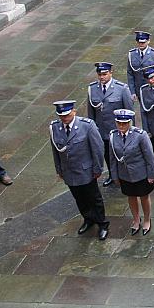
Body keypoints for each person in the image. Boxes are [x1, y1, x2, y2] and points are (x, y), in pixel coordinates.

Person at [50, 100, 109, 239]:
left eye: (67, 115)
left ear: (74, 111)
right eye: (61, 116)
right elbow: (55, 150)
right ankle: (88, 219)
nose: (64, 118)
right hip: (69, 172)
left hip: (86, 171)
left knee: (94, 198)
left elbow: (98, 148)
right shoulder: (54, 127)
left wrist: (97, 168)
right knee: (79, 198)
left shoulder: (86, 126)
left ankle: (102, 223)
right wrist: (59, 169)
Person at [87, 61, 134, 187]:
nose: (102, 77)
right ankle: (112, 176)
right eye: (99, 74)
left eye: (104, 74)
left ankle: (125, 175)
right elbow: (91, 113)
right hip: (102, 130)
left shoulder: (121, 88)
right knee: (107, 154)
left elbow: (130, 110)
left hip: (119, 129)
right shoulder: (92, 89)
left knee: (121, 154)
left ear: (110, 73)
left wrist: (130, 131)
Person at [109, 109, 154, 236]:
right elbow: (112, 158)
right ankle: (136, 219)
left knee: (144, 197)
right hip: (124, 174)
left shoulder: (140, 135)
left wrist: (151, 175)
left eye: (124, 123)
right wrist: (114, 176)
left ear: (130, 122)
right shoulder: (113, 136)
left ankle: (147, 219)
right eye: (119, 123)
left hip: (140, 174)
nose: (121, 126)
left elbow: (149, 157)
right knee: (131, 197)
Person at [127, 31, 154, 101]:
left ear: (148, 41)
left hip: (152, 86)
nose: (141, 44)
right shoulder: (131, 54)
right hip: (139, 88)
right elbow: (130, 74)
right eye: (139, 42)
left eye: (143, 42)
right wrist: (132, 91)